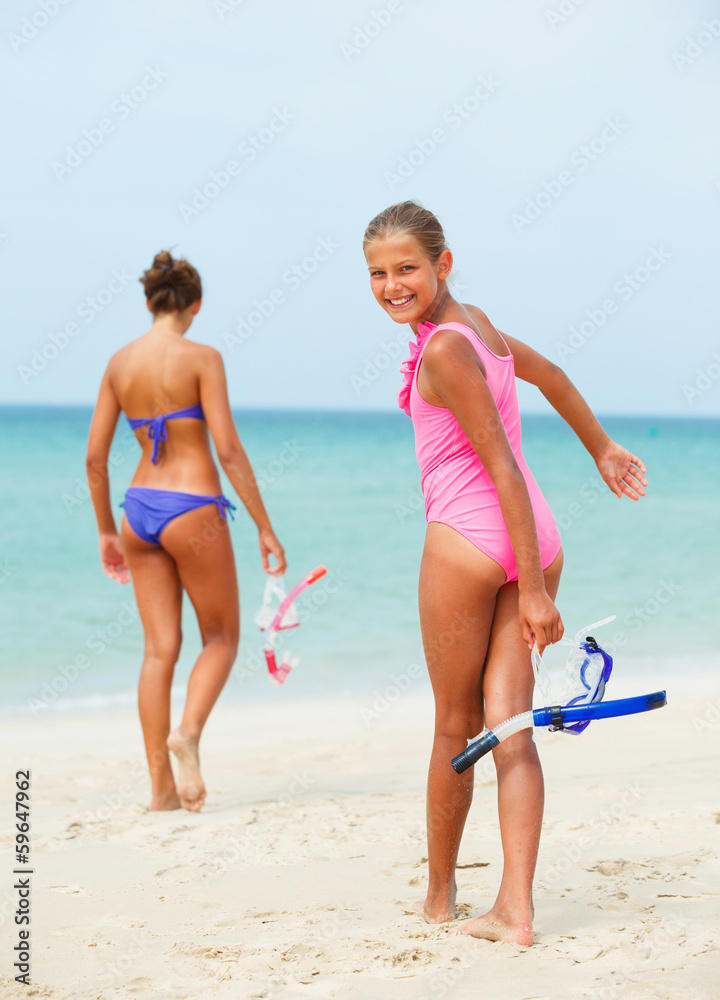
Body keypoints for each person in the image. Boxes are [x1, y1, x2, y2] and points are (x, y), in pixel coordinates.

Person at [363, 202, 647, 945]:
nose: (392, 284)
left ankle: (437, 898)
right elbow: (548, 375)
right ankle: (514, 912)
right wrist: (602, 448)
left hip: (474, 543)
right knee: (510, 725)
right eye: (378, 273)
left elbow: (498, 467)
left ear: (442, 264)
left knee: (454, 725)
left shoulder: (442, 353)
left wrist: (531, 589)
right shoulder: (477, 327)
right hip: (535, 540)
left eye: (407, 269)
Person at [86, 250, 286, 813]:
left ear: (149, 301)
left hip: (138, 509)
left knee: (158, 651)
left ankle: (161, 794)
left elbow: (95, 461)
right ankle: (189, 731)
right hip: (193, 506)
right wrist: (265, 528)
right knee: (220, 638)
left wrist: (107, 531)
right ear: (194, 305)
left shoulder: (119, 363)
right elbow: (227, 449)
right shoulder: (204, 357)